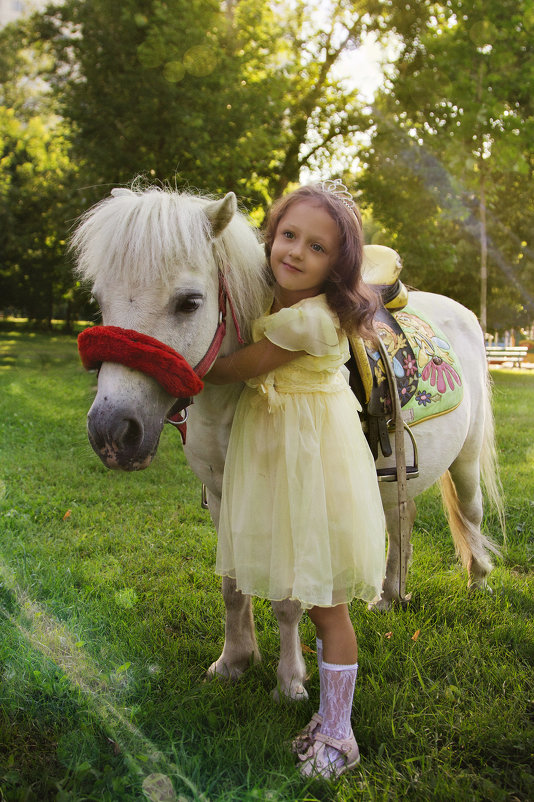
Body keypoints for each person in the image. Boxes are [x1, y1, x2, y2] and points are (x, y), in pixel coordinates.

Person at [205, 180, 386, 781]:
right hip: (289, 464)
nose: (295, 252)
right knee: (310, 599)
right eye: (288, 236)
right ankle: (327, 720)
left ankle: (340, 734)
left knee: (327, 608)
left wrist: (175, 362)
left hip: (314, 469)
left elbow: (233, 368)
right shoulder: (284, 305)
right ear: (271, 235)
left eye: (317, 247)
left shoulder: (310, 319)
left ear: (338, 267)